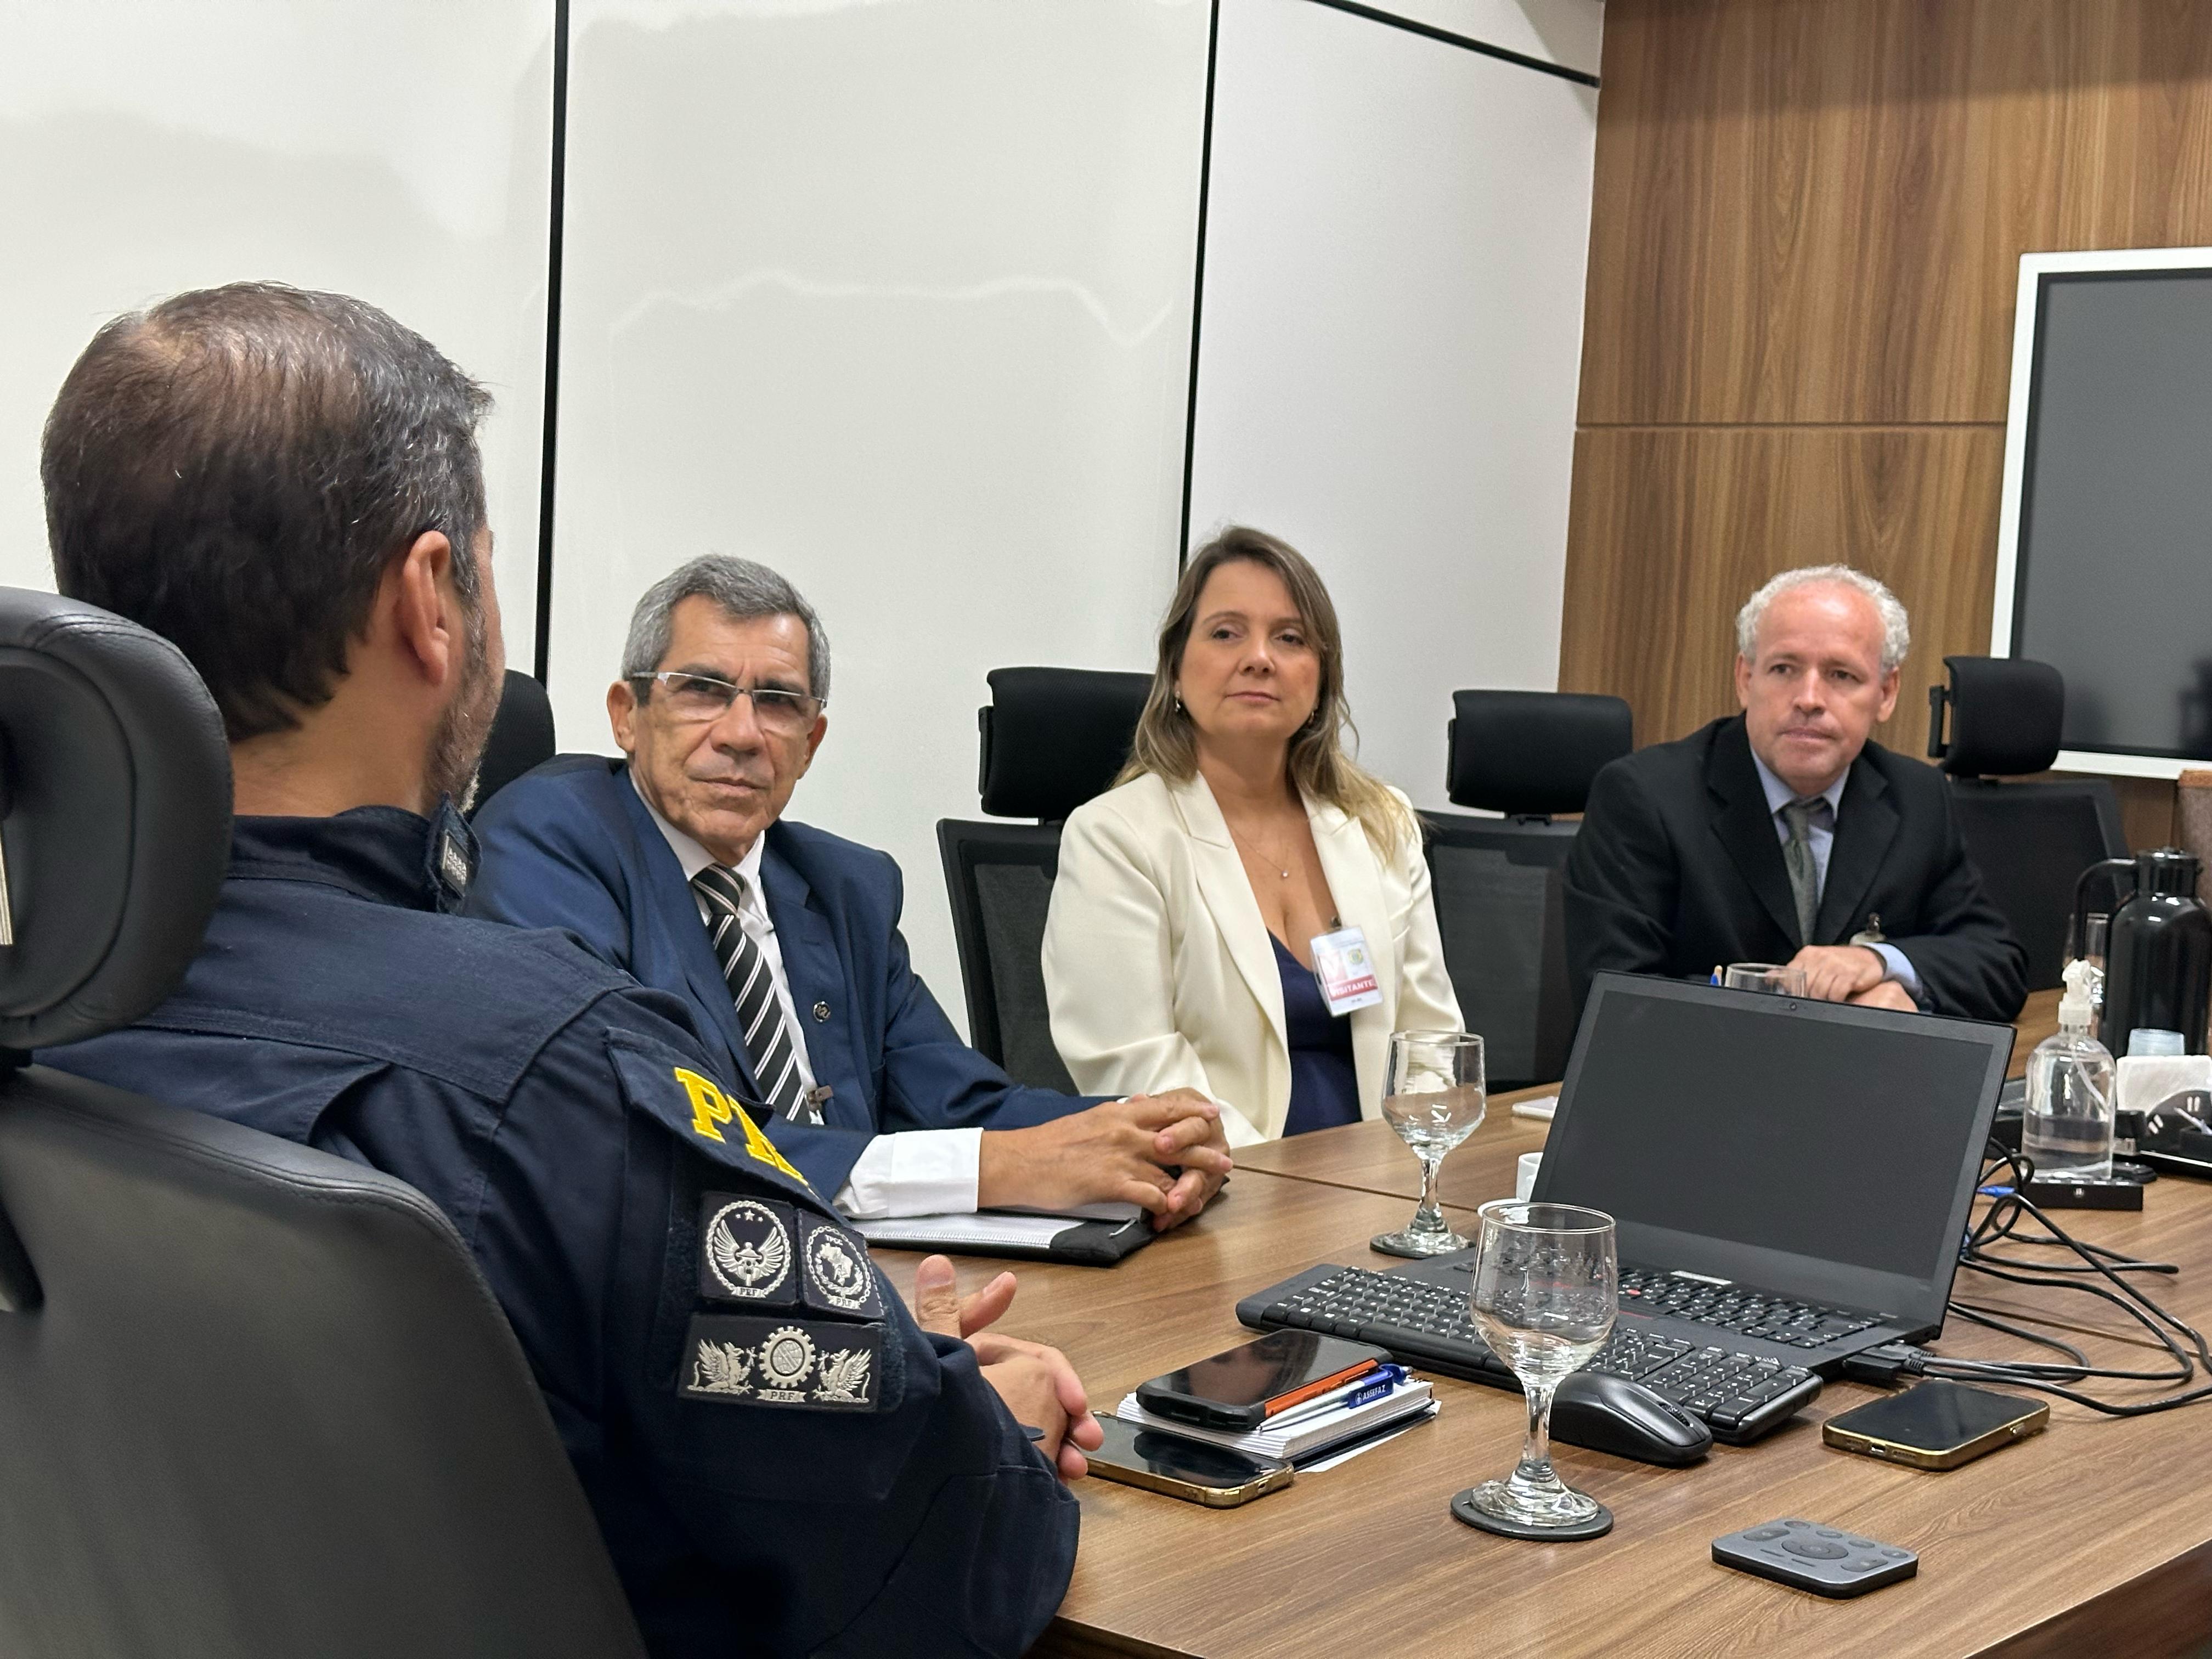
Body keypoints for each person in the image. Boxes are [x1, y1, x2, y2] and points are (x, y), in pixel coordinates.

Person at [35, 281, 1095, 1658]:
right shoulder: (563, 1075)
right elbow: (950, 1561)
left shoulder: (47, 1012)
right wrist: (969, 1417)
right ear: (430, 602)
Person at [467, 556, 1231, 1227]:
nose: (741, 734)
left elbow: (962, 1107)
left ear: (811, 743)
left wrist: (1151, 1133)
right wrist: (996, 1168)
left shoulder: (845, 888)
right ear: (627, 716)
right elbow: (643, 1127)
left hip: (882, 1278)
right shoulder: (551, 841)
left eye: (778, 701)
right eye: (702, 690)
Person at [1041, 526, 1462, 1146]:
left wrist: (1408, 1168)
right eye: (1226, 633)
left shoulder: (1382, 823)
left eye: (1290, 638)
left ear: (1321, 679)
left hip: (1383, 1179)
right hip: (1219, 1186)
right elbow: (1140, 1071)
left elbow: (1432, 1046)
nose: (1260, 657)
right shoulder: (1117, 838)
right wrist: (1285, 1185)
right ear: (1175, 671)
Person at [1565, 563, 2027, 1023]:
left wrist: (1881, 963)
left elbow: (1997, 964)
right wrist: (1796, 1003)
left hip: (1858, 1070)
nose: (1809, 698)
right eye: (1784, 669)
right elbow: (1619, 1001)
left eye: (1841, 675)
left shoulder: (1917, 796)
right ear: (1746, 679)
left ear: (1886, 693)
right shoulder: (1644, 796)